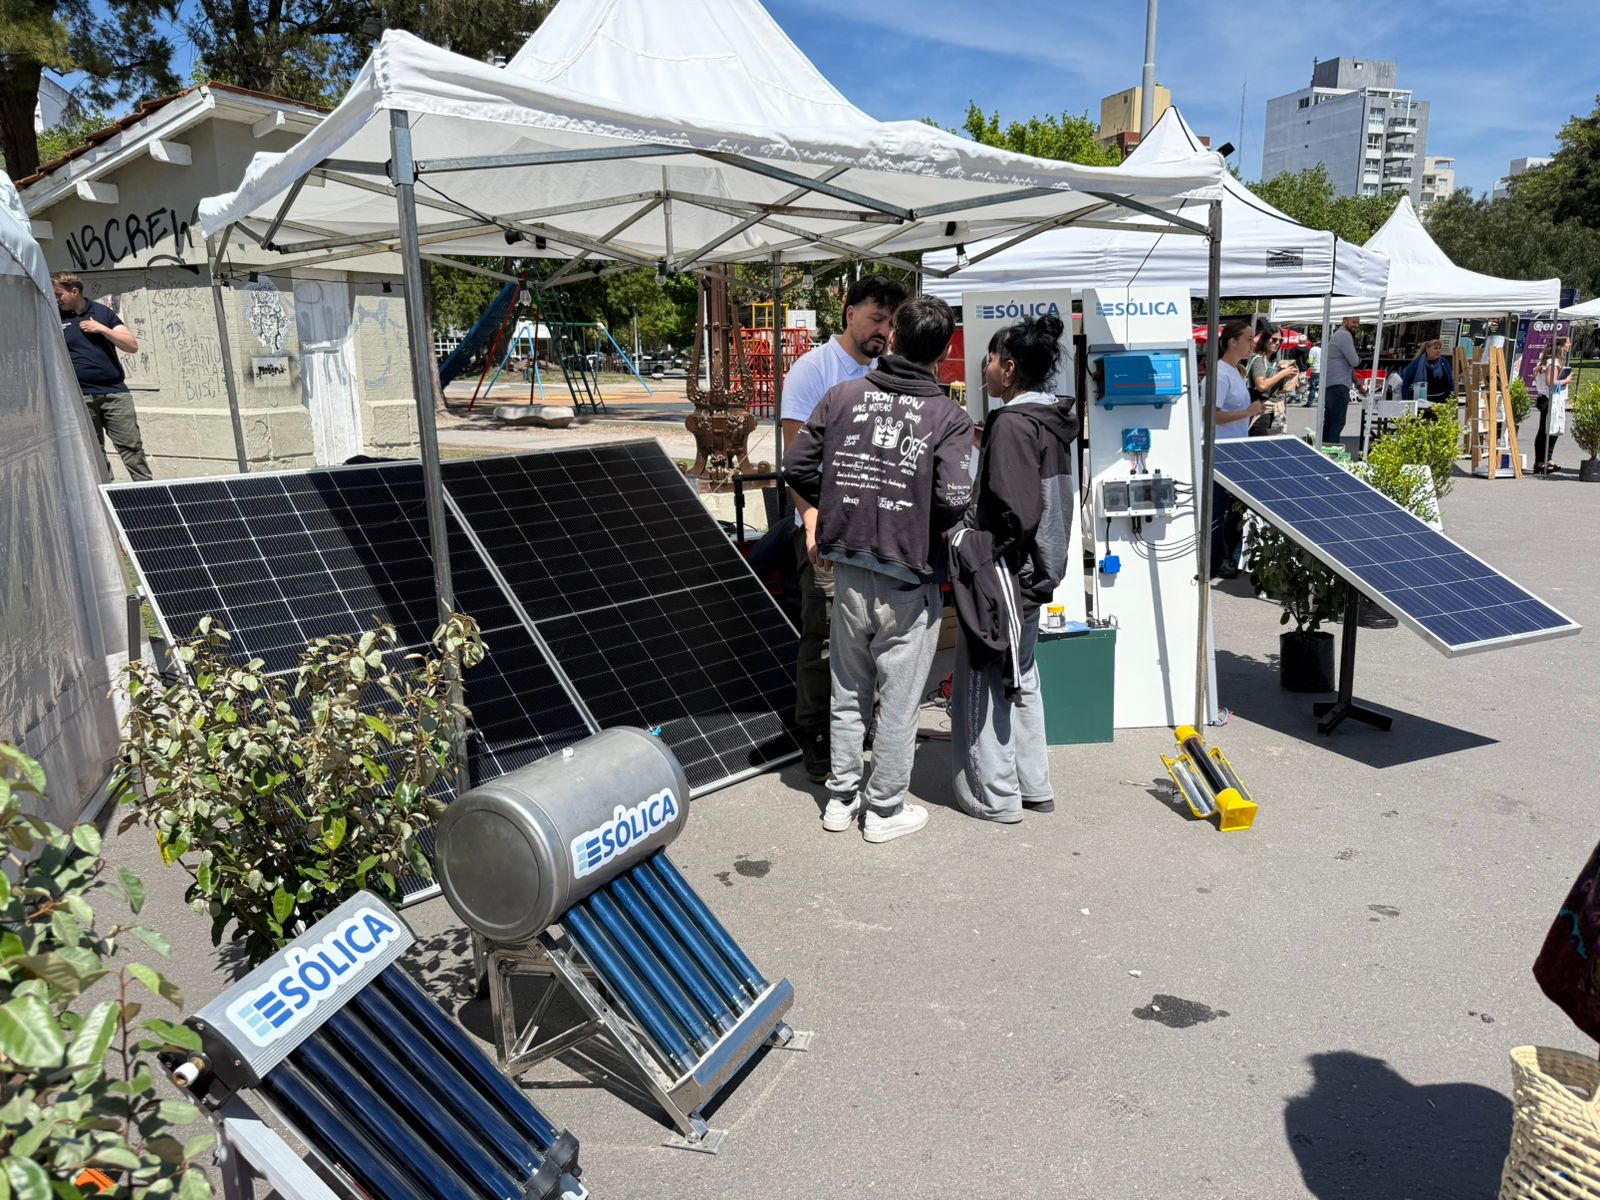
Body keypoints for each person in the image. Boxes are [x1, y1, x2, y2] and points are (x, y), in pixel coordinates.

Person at [783, 296, 974, 844]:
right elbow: (955, 497)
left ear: (893, 338)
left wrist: (836, 508)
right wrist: (911, 514)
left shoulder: (843, 396)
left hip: (846, 566)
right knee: (899, 699)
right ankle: (884, 808)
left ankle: (841, 798)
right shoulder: (949, 417)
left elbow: (796, 464)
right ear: (943, 352)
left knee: (848, 688)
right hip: (908, 575)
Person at [949, 315, 1079, 824]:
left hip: (1006, 574)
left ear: (1009, 367)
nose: (984, 367)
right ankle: (1033, 785)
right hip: (1036, 574)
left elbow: (1015, 514)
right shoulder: (1051, 420)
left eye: (990, 358)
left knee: (985, 682)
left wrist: (969, 543)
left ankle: (995, 796)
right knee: (1021, 677)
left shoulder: (1011, 424)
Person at [779, 274, 907, 780]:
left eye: (891, 322)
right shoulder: (813, 370)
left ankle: (856, 724)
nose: (884, 331)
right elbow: (795, 461)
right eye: (876, 319)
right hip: (826, 528)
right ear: (849, 313)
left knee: (870, 633)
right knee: (825, 635)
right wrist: (813, 523)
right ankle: (815, 732)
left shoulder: (887, 371)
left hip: (874, 528)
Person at [52, 271, 150, 481]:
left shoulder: (102, 313)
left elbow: (131, 345)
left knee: (131, 448)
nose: (56, 299)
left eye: (59, 294)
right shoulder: (55, 317)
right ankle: (106, 494)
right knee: (94, 452)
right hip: (81, 397)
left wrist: (102, 329)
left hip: (115, 395)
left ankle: (148, 491)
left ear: (74, 291)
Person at [1210, 319, 1262, 579]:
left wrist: (1248, 414)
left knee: (1230, 510)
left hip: (1234, 450)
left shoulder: (1235, 372)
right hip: (1220, 453)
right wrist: (1248, 412)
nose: (1253, 344)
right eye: (1249, 339)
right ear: (1232, 342)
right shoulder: (1220, 374)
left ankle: (1226, 556)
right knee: (1218, 510)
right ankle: (1215, 560)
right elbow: (1212, 415)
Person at [1247, 326, 1298, 434]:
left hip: (1275, 412)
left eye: (1280, 340)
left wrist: (1291, 379)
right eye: (1274, 339)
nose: (1277, 343)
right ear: (1265, 339)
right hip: (1261, 413)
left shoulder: (1273, 362)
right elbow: (1261, 386)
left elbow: (1276, 388)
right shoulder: (1258, 360)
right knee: (1261, 443)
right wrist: (1282, 374)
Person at [1533, 336, 1572, 474]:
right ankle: (1540, 461)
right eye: (1568, 342)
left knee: (1552, 430)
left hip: (1551, 399)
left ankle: (1547, 459)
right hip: (1548, 399)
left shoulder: (1553, 362)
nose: (1570, 345)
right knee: (1545, 431)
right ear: (1561, 346)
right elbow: (1551, 382)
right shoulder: (1553, 362)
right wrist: (1566, 380)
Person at [1322, 315, 1362, 446]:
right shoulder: (1345, 335)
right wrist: (1359, 359)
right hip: (1339, 385)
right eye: (1354, 322)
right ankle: (1332, 451)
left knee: (1330, 422)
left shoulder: (1338, 335)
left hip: (1332, 385)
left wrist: (1357, 384)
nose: (1357, 325)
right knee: (1337, 422)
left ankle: (1325, 449)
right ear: (1345, 322)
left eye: (1358, 323)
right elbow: (1354, 361)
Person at [1398, 338, 1454, 418]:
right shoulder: (1416, 363)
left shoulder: (1443, 362)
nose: (1438, 351)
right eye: (1435, 348)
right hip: (1422, 403)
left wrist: (1452, 398)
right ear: (1427, 349)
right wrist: (1406, 402)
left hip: (1441, 401)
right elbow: (1406, 383)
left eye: (1439, 348)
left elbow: (1450, 381)